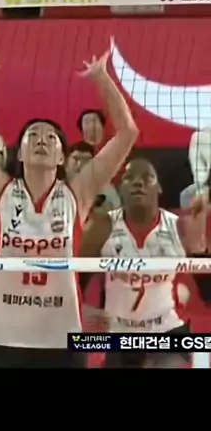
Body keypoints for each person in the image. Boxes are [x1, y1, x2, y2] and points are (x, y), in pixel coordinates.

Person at [0, 41, 138, 368]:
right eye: (33, 135)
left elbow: (127, 132)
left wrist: (102, 77)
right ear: (19, 152)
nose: (41, 139)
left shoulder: (77, 192)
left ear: (61, 157)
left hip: (62, 338)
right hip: (2, 337)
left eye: (50, 137)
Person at [79, 157, 207, 369]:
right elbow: (73, 270)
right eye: (129, 178)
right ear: (120, 188)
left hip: (168, 331)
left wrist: (201, 247)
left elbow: (205, 288)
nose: (138, 182)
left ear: (159, 188)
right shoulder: (103, 226)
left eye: (147, 178)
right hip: (119, 334)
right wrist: (81, 307)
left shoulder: (180, 227)